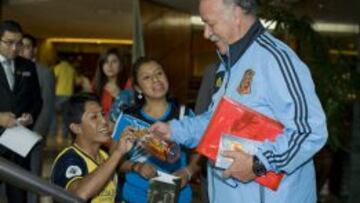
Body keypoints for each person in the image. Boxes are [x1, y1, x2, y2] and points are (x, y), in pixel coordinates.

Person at [149, 0, 328, 202]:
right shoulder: (228, 65)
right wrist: (174, 131)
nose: (206, 33)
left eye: (211, 23)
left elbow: (309, 131)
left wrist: (258, 164)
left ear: (236, 14)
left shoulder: (276, 59)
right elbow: (217, 123)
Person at [112, 57, 200, 203]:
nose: (155, 80)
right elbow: (113, 160)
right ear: (138, 88)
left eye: (159, 73)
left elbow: (201, 150)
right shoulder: (128, 118)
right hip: (136, 197)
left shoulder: (184, 115)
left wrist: (188, 171)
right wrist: (137, 167)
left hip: (178, 197)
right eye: (146, 77)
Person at [50, 93, 134, 202]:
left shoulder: (105, 156)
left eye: (103, 114)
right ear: (76, 128)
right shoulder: (68, 159)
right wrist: (117, 153)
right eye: (94, 117)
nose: (104, 121)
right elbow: (79, 194)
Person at [0, 20, 42, 203]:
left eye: (19, 43)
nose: (15, 48)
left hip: (18, 144)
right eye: (9, 42)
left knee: (18, 196)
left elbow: (37, 100)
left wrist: (31, 115)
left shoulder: (28, 66)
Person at [19, 33, 56, 203]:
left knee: (32, 177)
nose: (22, 50)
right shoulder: (11, 69)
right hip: (10, 132)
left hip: (33, 134)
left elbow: (47, 105)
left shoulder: (44, 72)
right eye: (20, 46)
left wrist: (38, 133)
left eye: (26, 46)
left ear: (34, 50)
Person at [94, 48, 128, 117]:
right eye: (106, 62)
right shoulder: (96, 84)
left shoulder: (129, 83)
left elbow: (132, 111)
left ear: (121, 64)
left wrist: (119, 96)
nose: (109, 66)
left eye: (114, 62)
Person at [53, 53, 77, 139]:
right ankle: (65, 135)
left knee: (54, 115)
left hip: (58, 94)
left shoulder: (57, 67)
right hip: (69, 95)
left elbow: (53, 80)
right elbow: (75, 82)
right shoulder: (72, 69)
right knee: (65, 117)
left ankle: (53, 133)